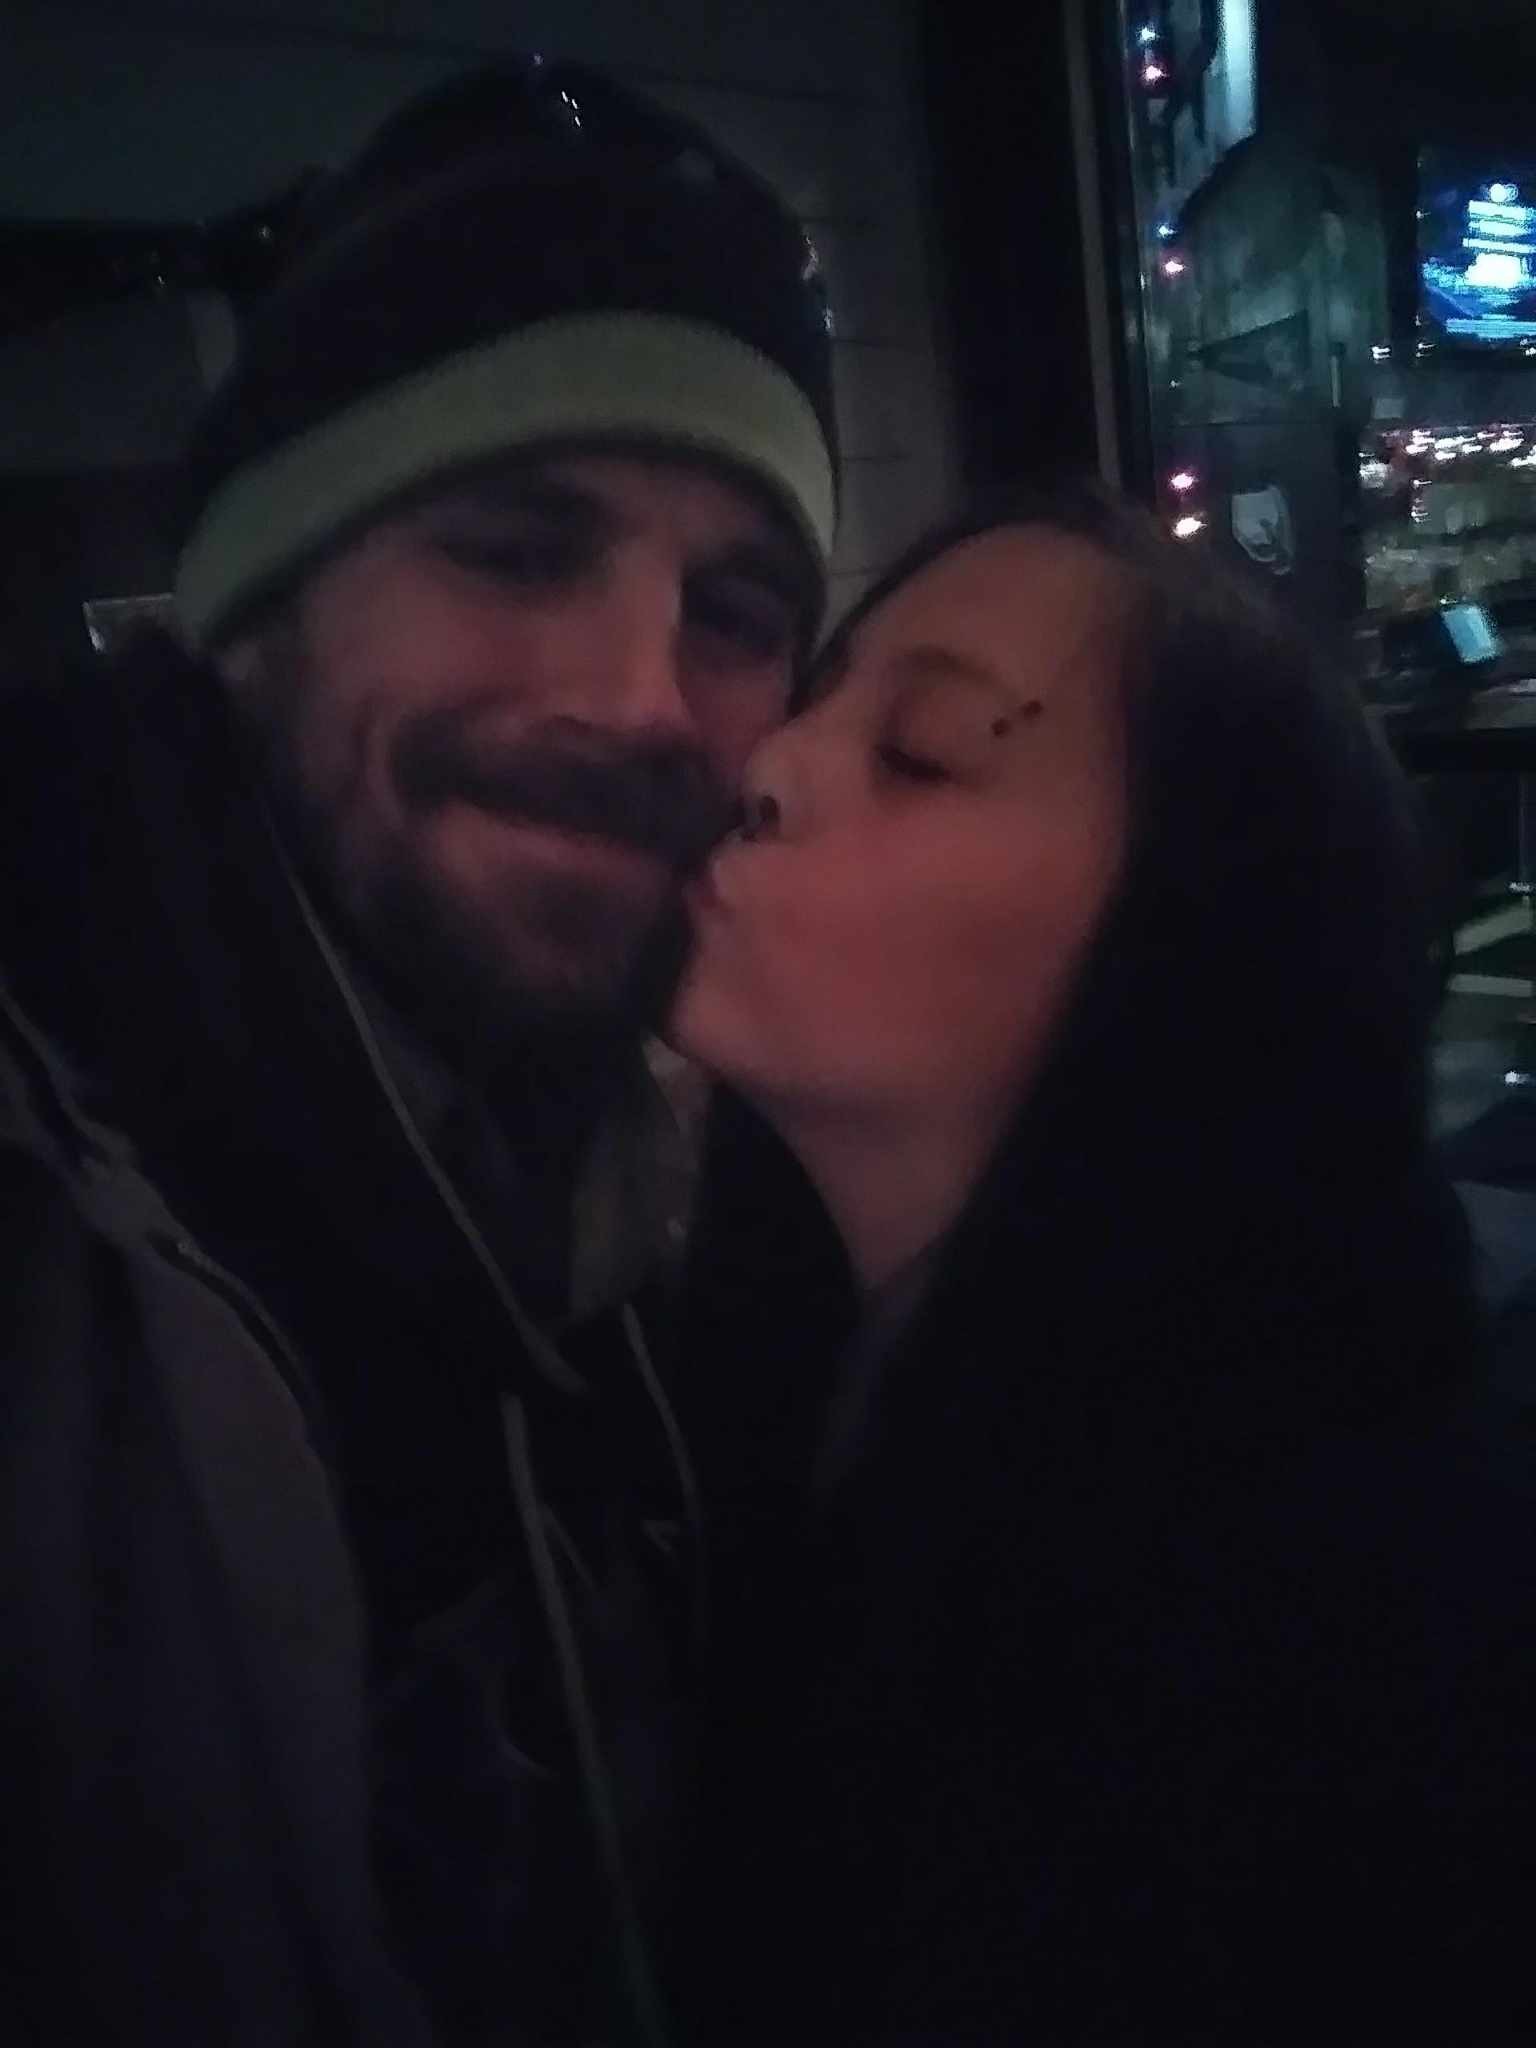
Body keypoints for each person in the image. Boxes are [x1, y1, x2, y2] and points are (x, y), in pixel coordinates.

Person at [0, 61, 836, 2048]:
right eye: (515, 549)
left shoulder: (732, 1135)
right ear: (256, 611)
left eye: (735, 610)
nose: (643, 697)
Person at [669, 485, 1536, 2045]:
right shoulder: (707, 1386)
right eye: (814, 700)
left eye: (920, 751)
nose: (769, 764)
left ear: (1194, 942)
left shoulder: (1333, 1653)